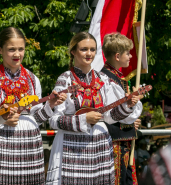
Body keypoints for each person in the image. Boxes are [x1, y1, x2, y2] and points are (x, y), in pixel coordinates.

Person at [0, 27, 67, 185]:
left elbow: (36, 118)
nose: (17, 54)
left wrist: (49, 105)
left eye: (21, 49)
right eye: (11, 49)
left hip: (31, 148)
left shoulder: (32, 79)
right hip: (0, 149)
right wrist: (0, 119)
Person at [46, 32, 141, 185]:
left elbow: (110, 116)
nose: (89, 53)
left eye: (92, 49)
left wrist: (127, 106)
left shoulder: (103, 79)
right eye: (84, 49)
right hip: (72, 149)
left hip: (99, 146)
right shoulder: (65, 79)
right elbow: (54, 120)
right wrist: (83, 119)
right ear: (73, 51)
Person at [100, 32, 143, 185]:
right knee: (118, 180)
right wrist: (132, 112)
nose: (131, 56)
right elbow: (114, 114)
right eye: (128, 53)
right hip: (114, 142)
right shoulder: (107, 80)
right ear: (117, 56)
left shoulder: (117, 78)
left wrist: (132, 122)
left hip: (121, 140)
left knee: (126, 179)